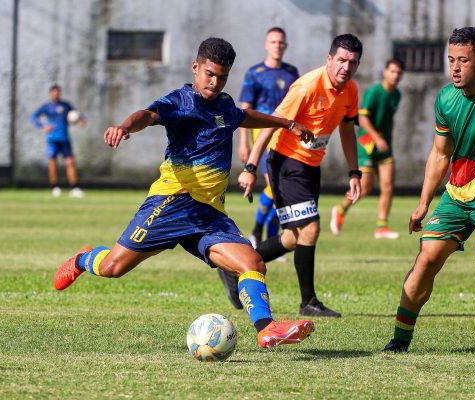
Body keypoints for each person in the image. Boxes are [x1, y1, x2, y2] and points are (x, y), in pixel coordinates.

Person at [53, 37, 315, 349]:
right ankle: (84, 258)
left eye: (222, 76)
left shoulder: (225, 106)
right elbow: (147, 115)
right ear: (195, 68)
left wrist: (287, 123)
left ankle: (267, 328)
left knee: (254, 263)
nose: (215, 82)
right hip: (171, 204)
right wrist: (125, 126)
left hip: (208, 215)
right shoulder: (180, 102)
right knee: (113, 268)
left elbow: (245, 116)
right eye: (209, 74)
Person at [220, 34, 363, 317]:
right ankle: (308, 302)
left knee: (293, 237)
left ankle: (235, 266)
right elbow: (272, 124)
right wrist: (250, 167)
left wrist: (354, 172)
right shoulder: (307, 86)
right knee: (310, 228)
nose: (346, 67)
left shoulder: (350, 91)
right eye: (342, 60)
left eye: (353, 62)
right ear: (330, 59)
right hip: (285, 162)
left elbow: (347, 131)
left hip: (311, 165)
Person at [384, 27, 475, 352]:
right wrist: (423, 203)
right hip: (456, 196)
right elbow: (440, 154)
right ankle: (399, 341)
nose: (455, 68)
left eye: (463, 60)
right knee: (426, 259)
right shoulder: (446, 98)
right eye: (451, 60)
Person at [238, 27, 300, 248]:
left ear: (286, 45)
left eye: (281, 42)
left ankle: (269, 237)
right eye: (273, 42)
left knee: (279, 187)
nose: (277, 45)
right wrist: (243, 142)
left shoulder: (292, 72)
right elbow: (245, 110)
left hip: (286, 134)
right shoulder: (255, 73)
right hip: (261, 133)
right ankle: (258, 233)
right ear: (266, 44)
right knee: (275, 186)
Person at [330, 59, 404, 239]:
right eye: (392, 71)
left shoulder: (396, 95)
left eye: (398, 73)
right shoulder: (374, 92)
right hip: (367, 144)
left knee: (388, 185)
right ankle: (340, 209)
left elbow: (390, 119)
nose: (395, 75)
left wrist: (388, 139)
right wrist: (377, 138)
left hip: (384, 147)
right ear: (385, 72)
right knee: (365, 187)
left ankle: (381, 227)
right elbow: (362, 119)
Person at [30, 84, 86, 198]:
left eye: (58, 92)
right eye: (54, 92)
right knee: (52, 163)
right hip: (52, 139)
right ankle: (55, 187)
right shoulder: (47, 107)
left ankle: (74, 188)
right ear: (51, 93)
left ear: (59, 93)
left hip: (65, 139)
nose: (56, 94)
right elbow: (33, 117)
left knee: (70, 162)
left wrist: (81, 119)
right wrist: (43, 126)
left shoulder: (65, 106)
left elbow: (77, 114)